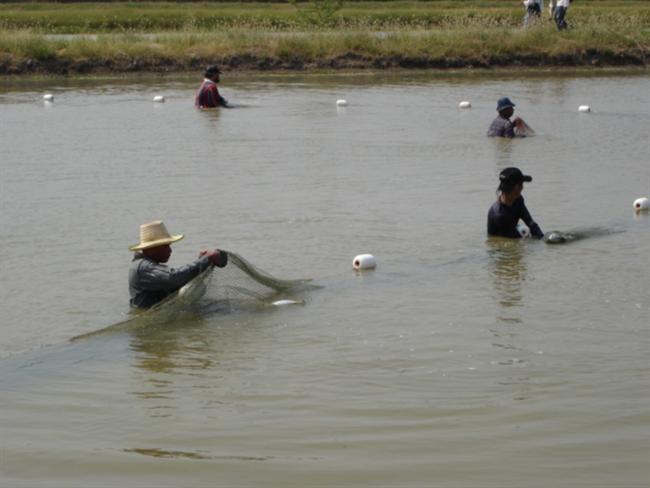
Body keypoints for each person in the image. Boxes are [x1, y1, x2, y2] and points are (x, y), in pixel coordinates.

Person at [129, 220, 227, 309]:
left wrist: (201, 261)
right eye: (166, 246)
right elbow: (174, 277)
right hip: (149, 318)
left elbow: (176, 279)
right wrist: (206, 259)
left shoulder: (143, 264)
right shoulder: (144, 267)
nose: (170, 250)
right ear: (152, 248)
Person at [487, 167, 544, 239]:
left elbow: (530, 223)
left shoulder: (518, 200)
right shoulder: (499, 215)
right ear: (517, 187)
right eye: (522, 184)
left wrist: (542, 238)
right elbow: (514, 241)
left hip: (511, 231)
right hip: (499, 244)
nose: (523, 188)